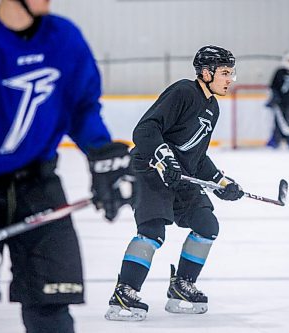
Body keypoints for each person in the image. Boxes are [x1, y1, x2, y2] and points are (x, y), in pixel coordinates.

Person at [0, 0, 135, 332]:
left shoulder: (65, 38)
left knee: (51, 309)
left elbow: (82, 109)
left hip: (38, 185)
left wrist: (102, 154)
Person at [104, 45, 244, 322]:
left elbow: (196, 156)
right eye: (225, 73)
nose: (229, 79)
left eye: (231, 73)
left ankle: (181, 286)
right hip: (149, 169)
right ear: (206, 73)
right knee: (152, 231)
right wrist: (165, 157)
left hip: (178, 176)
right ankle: (125, 291)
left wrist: (222, 182)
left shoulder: (212, 108)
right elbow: (145, 130)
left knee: (207, 225)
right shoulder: (183, 91)